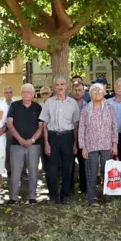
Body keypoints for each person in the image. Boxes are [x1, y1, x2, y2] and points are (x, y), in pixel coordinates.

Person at [40, 76, 80, 205]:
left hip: (68, 138)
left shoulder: (73, 103)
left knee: (68, 168)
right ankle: (53, 196)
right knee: (51, 169)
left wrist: (75, 144)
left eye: (62, 84)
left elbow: (76, 126)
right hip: (53, 137)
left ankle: (65, 195)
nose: (60, 87)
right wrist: (46, 143)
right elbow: (44, 125)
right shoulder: (49, 102)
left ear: (66, 86)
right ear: (54, 87)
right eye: (57, 85)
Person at [79, 83, 118, 206]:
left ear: (104, 93)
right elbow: (81, 129)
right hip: (90, 145)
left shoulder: (110, 107)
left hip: (107, 144)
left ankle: (107, 195)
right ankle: (92, 197)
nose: (97, 92)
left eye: (99, 90)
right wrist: (83, 147)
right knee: (91, 171)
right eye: (94, 90)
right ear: (90, 94)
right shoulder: (86, 109)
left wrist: (114, 144)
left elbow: (114, 126)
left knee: (106, 170)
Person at [7, 83, 43, 205]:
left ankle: (32, 196)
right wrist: (20, 139)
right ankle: (13, 197)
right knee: (15, 172)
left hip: (34, 145)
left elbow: (41, 127)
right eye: (24, 92)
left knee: (33, 171)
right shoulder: (14, 106)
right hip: (16, 145)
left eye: (29, 92)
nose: (26, 94)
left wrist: (32, 140)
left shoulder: (38, 107)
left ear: (33, 94)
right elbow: (9, 124)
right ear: (21, 93)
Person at [106, 78, 121, 198]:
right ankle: (113, 190)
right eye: (117, 85)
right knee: (111, 163)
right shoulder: (107, 102)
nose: (119, 88)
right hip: (109, 138)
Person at [70, 81, 88, 195]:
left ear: (84, 91)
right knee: (69, 164)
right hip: (69, 137)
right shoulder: (68, 104)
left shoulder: (88, 105)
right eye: (75, 90)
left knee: (84, 164)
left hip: (84, 139)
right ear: (72, 91)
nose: (77, 92)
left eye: (80, 90)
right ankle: (70, 187)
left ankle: (84, 187)